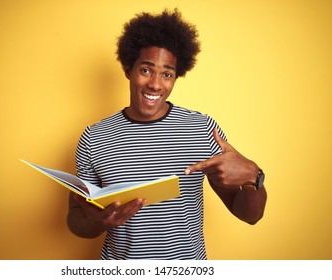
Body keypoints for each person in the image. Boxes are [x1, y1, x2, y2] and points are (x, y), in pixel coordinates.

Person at [67, 8, 267, 260]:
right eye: (146, 70)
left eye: (167, 74)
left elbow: (251, 216)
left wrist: (253, 177)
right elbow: (75, 219)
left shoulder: (202, 130)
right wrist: (99, 221)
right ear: (129, 69)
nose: (155, 84)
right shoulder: (94, 137)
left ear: (175, 78)